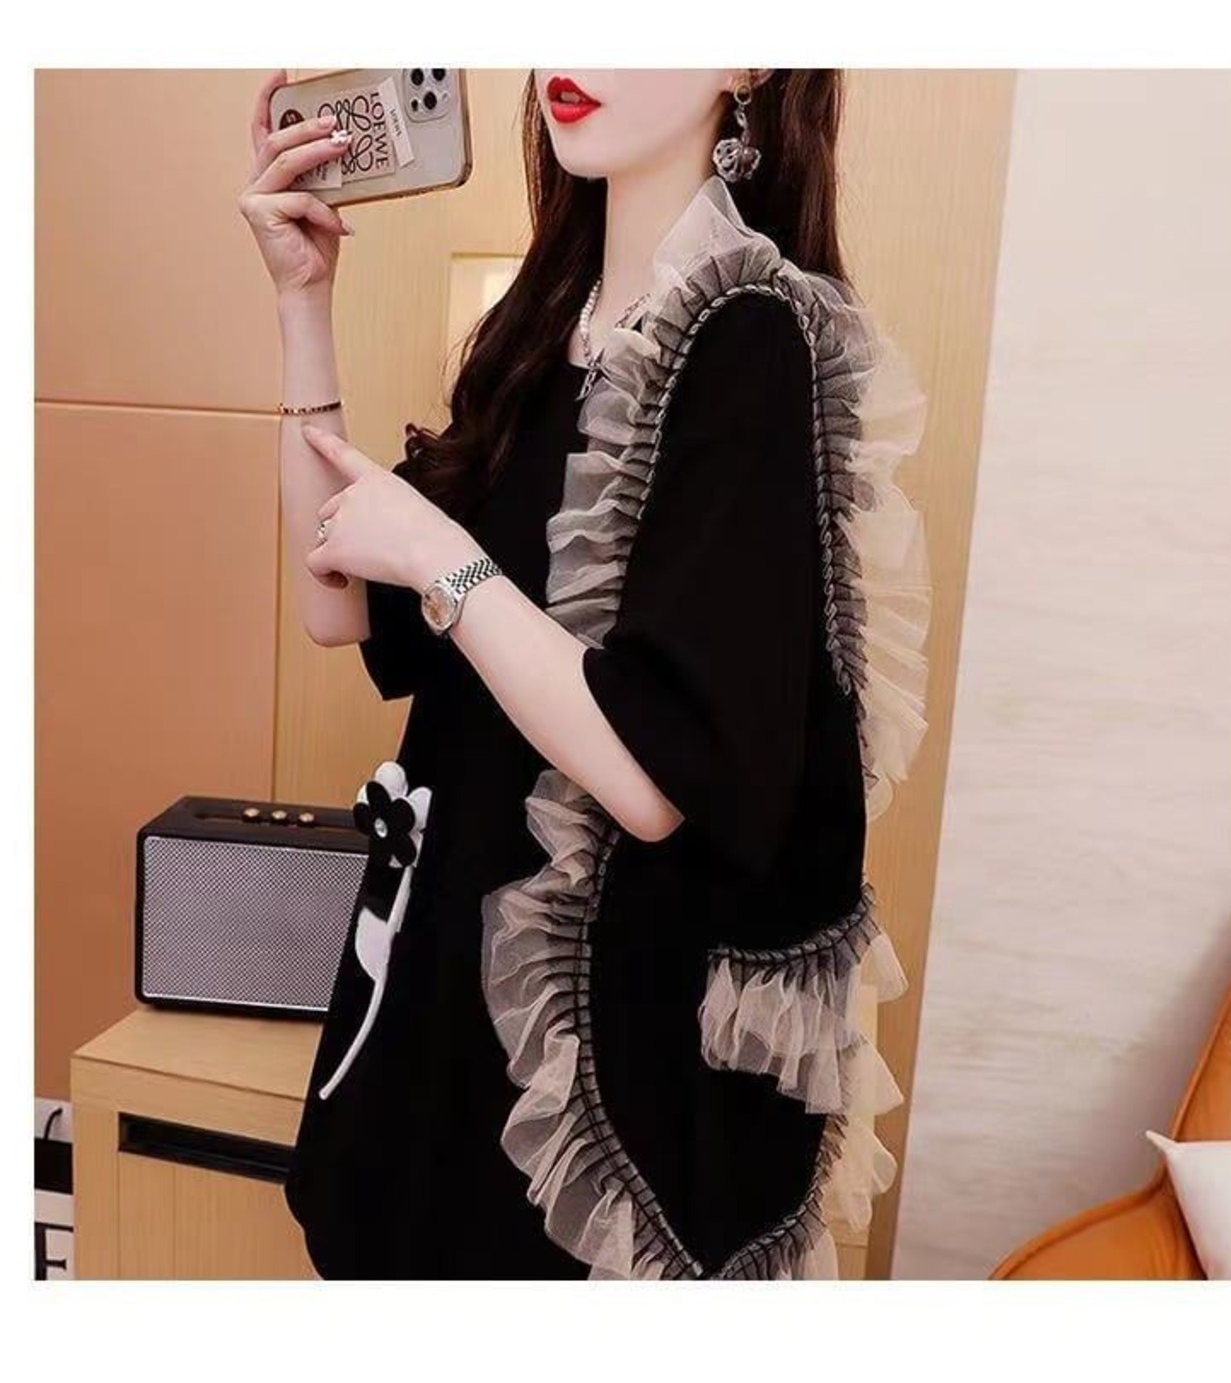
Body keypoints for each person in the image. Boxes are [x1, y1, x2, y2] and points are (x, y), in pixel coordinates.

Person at [239, 68, 929, 1280]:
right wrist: (303, 301)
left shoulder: (751, 337)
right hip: (443, 996)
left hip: (594, 1061)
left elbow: (657, 778)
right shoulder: (541, 325)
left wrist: (441, 558)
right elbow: (332, 605)